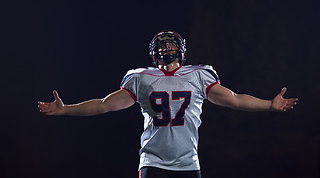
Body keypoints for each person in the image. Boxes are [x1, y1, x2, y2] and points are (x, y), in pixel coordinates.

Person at [38, 30, 298, 178]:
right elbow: (104, 105)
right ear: (153, 53)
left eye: (171, 44)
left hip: (188, 162)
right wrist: (66, 109)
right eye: (162, 45)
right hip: (153, 161)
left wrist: (268, 105)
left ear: (182, 50)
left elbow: (233, 99)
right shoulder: (141, 78)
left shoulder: (198, 75)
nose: (166, 49)